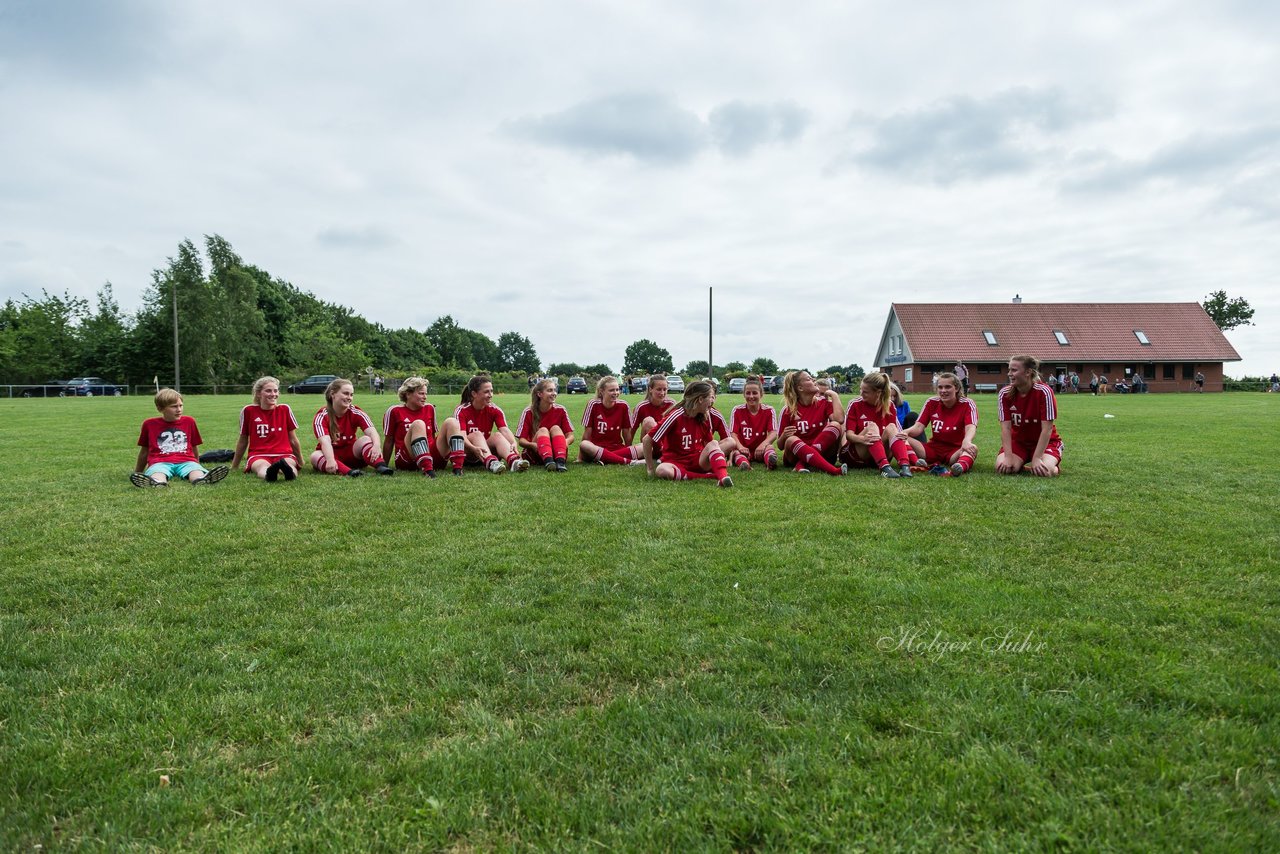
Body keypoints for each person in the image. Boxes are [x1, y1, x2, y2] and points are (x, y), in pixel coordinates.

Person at [132, 388, 229, 487]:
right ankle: (157, 482)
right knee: (157, 472)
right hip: (160, 461)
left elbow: (194, 446)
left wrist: (197, 464)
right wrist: (138, 472)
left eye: (181, 405)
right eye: (174, 406)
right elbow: (144, 451)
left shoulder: (189, 421)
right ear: (160, 408)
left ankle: (201, 479)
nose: (179, 410)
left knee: (194, 470)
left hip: (186, 460)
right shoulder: (149, 424)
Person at [646, 380, 734, 487]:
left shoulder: (704, 416)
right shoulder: (676, 416)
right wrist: (650, 468)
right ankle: (709, 476)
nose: (712, 401)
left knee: (715, 443)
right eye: (710, 397)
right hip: (676, 462)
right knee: (661, 470)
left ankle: (723, 477)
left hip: (697, 460)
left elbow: (710, 444)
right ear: (700, 399)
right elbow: (647, 439)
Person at [382, 377, 465, 477]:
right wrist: (384, 466)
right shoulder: (394, 411)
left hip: (432, 458)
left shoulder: (429, 408)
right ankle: (428, 471)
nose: (425, 397)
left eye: (426, 393)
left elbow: (433, 437)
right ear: (408, 394)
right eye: (421, 393)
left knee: (452, 422)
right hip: (407, 460)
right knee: (418, 424)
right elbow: (389, 440)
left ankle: (458, 468)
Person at [310, 378, 395, 476]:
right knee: (315, 456)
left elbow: (372, 432)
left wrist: (376, 445)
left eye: (351, 394)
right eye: (345, 393)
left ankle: (381, 467)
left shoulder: (356, 412)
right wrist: (330, 460)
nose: (349, 397)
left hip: (353, 455)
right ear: (332, 394)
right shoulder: (321, 416)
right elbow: (325, 442)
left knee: (366, 439)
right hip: (331, 456)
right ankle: (350, 472)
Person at [840, 370, 918, 478]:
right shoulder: (855, 404)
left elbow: (896, 434)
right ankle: (884, 468)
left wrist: (914, 458)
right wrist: (863, 439)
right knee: (872, 426)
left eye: (865, 391)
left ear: (878, 393)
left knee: (892, 427)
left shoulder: (889, 405)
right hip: (857, 455)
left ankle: (905, 466)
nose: (861, 394)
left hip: (879, 453)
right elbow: (849, 435)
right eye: (860, 390)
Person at [996, 355, 1063, 477]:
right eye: (1009, 370)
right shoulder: (1004, 394)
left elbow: (1047, 429)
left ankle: (1052, 465)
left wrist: (1037, 458)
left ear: (1028, 372)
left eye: (1014, 370)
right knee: (1003, 467)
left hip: (1047, 443)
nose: (1009, 374)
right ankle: (1023, 464)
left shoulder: (1044, 392)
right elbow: (1005, 429)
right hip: (1019, 443)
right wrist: (1008, 456)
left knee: (1045, 471)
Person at [902, 371, 978, 476]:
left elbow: (971, 427)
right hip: (932, 449)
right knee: (902, 438)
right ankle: (916, 462)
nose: (943, 391)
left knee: (972, 448)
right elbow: (918, 427)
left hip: (955, 451)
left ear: (956, 388)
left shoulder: (967, 404)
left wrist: (967, 441)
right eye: (940, 387)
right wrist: (905, 432)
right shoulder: (931, 402)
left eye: (947, 387)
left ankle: (960, 467)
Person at [231, 376, 304, 481]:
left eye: (275, 391)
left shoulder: (285, 409)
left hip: (284, 453)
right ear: (258, 393)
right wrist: (235, 465)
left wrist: (300, 461)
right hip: (259, 454)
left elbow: (293, 439)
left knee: (289, 465)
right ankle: (269, 475)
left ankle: (290, 474)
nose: (273, 394)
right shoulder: (248, 411)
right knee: (261, 466)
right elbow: (243, 440)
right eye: (268, 391)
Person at [453, 374, 528, 473]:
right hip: (468, 454)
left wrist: (513, 443)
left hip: (486, 450)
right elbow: (461, 436)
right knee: (477, 434)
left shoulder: (494, 409)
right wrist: (473, 448)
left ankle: (514, 461)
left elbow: (504, 429)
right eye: (486, 392)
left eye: (491, 391)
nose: (491, 395)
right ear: (474, 394)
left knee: (497, 435)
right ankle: (492, 463)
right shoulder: (462, 410)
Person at [777, 370, 846, 475]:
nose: (814, 379)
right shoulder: (788, 410)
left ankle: (802, 465)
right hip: (795, 457)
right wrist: (783, 436)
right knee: (791, 440)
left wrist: (834, 396)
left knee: (835, 425)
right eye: (809, 379)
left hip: (823, 454)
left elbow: (840, 420)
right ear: (800, 388)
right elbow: (780, 446)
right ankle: (834, 471)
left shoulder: (823, 403)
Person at [516, 378, 574, 472]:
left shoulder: (561, 410)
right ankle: (548, 461)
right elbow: (521, 441)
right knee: (543, 430)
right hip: (537, 452)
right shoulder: (528, 412)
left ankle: (560, 462)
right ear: (540, 394)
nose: (554, 393)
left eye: (555, 390)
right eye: (550, 390)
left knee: (555, 428)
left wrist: (565, 443)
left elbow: (570, 436)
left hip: (557, 451)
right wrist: (532, 445)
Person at [578, 376, 636, 465]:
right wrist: (580, 457)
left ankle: (604, 458)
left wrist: (629, 449)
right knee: (584, 444)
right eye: (611, 390)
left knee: (643, 447)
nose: (616, 393)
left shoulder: (623, 405)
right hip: (596, 448)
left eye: (617, 389)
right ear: (602, 391)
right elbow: (587, 433)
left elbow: (626, 433)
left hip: (616, 447)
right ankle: (628, 462)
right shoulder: (593, 404)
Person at [729, 377, 780, 470]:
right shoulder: (737, 410)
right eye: (748, 393)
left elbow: (773, 433)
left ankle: (771, 461)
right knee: (737, 453)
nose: (751, 396)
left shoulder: (769, 410)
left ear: (761, 394)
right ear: (744, 395)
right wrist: (740, 447)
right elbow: (733, 434)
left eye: (755, 393)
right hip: (743, 449)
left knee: (769, 447)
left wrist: (763, 444)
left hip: (760, 450)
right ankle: (744, 464)